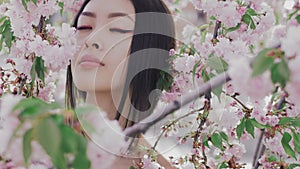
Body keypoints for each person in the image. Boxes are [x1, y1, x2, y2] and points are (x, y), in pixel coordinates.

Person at [65, 0, 176, 168]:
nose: (91, 40)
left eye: (118, 29)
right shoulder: (29, 139)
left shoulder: (155, 165)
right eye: (84, 27)